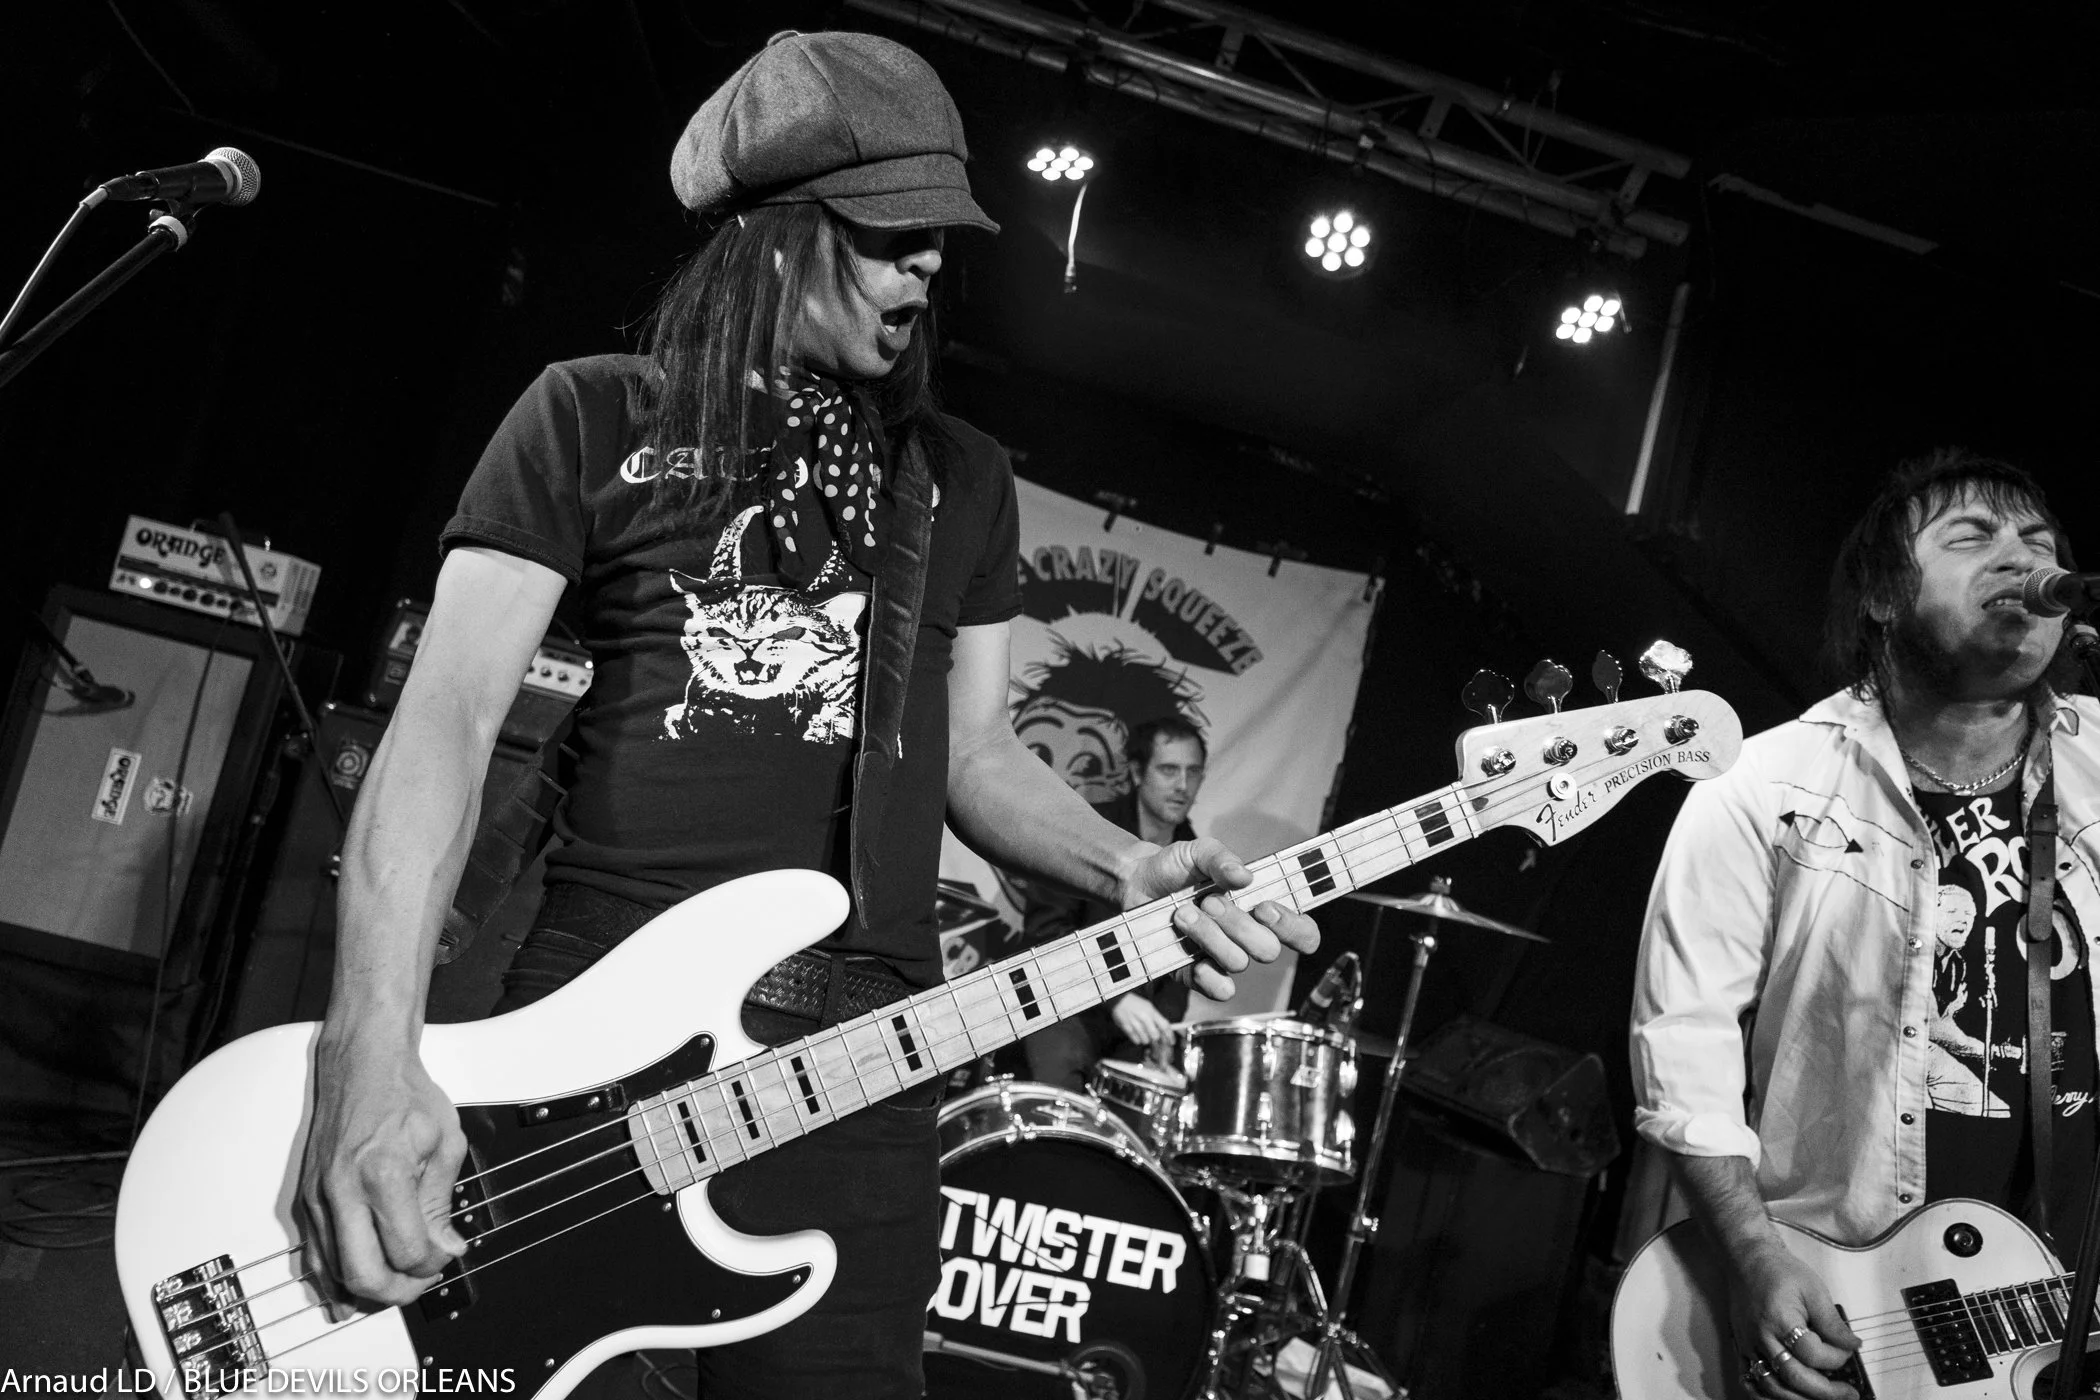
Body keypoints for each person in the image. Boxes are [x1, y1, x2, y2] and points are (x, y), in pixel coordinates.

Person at [295, 30, 1317, 1399]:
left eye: (940, 234)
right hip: (598, 1034)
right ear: (777, 239)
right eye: (892, 232)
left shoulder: (959, 476)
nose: (931, 262)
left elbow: (974, 752)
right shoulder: (590, 417)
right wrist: (370, 1053)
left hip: (865, 1073)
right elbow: (445, 732)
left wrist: (1128, 863)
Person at [1630, 448, 2100, 1400]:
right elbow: (1683, 1041)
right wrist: (1753, 1255)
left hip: (2065, 1317)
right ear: (1885, 596)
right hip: (1852, 1319)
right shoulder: (1763, 785)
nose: (2023, 557)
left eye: (2039, 542)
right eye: (1973, 537)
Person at [1022, 716, 1210, 1089]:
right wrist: (1116, 995)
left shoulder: (1197, 858)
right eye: (1169, 770)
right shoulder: (1090, 829)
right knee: (1062, 1101)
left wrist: (1164, 1025)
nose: (1182, 785)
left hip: (1137, 1022)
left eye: (1193, 772)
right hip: (1067, 1003)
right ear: (1138, 773)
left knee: (1154, 1100)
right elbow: (1046, 933)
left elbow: (1186, 960)